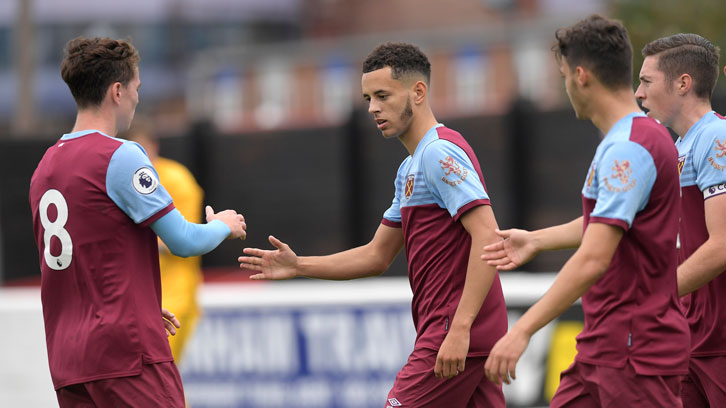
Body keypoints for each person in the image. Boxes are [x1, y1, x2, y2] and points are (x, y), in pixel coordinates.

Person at [239, 42, 508, 407]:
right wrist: (299, 265)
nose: (373, 108)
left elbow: (488, 236)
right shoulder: (410, 169)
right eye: (368, 98)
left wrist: (460, 328)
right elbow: (377, 255)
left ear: (418, 92)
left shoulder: (438, 153)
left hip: (454, 331)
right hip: (459, 332)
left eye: (382, 95)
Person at [481, 15, 690, 407]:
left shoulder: (628, 148)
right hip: (603, 348)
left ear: (580, 76)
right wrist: (536, 241)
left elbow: (594, 257)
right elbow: (606, 224)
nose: (565, 88)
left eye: (562, 77)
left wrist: (521, 329)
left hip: (636, 351)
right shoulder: (632, 139)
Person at [28, 37, 246, 407]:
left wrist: (138, 299)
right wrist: (224, 224)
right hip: (125, 355)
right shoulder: (121, 156)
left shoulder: (45, 167)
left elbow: (81, 258)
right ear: (117, 90)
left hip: (69, 362)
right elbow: (184, 241)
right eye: (136, 88)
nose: (137, 98)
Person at [634, 33, 726, 407]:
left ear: (683, 83)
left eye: (646, 81)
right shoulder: (676, 149)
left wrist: (653, 299)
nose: (638, 93)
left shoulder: (716, 137)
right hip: (690, 341)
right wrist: (537, 240)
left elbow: (721, 246)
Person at [123, 123, 204, 364]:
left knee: (161, 373)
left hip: (175, 295)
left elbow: (186, 238)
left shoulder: (177, 180)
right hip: (138, 297)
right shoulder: (121, 181)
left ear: (155, 148)